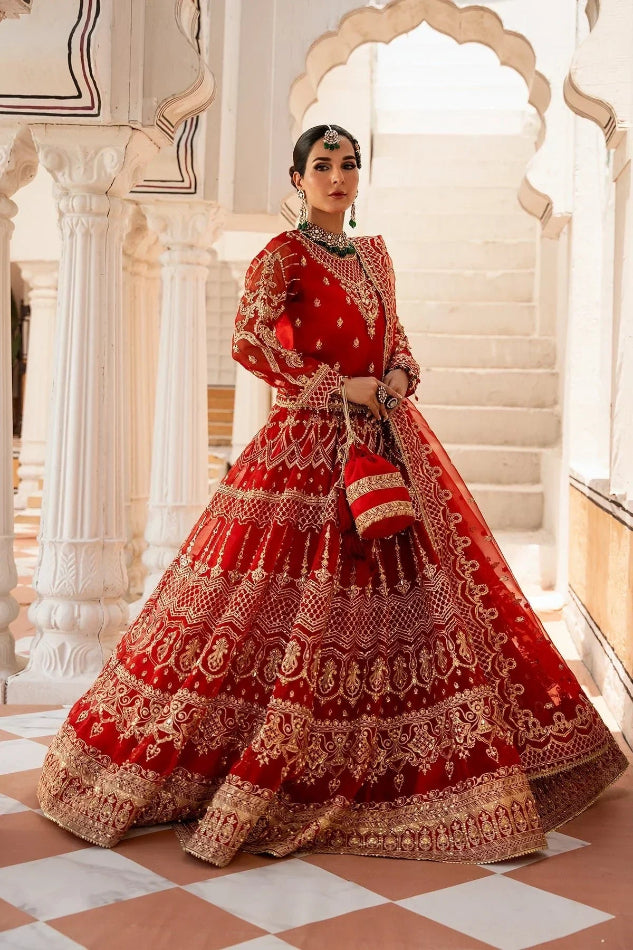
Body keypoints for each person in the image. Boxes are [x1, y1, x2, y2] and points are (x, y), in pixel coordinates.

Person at [38, 123, 628, 868]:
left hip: (385, 441)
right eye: (322, 165)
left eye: (349, 164)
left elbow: (396, 337)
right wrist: (334, 386)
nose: (338, 176)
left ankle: (407, 761)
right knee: (279, 602)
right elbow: (249, 341)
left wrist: (399, 374)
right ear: (298, 179)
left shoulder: (375, 254)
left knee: (419, 600)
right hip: (307, 447)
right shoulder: (282, 255)